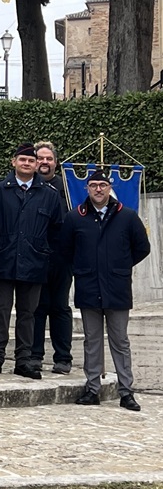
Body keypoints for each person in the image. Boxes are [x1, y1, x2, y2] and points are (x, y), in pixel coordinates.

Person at [63, 171, 150, 411]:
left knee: (120, 341)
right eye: (93, 185)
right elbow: (65, 250)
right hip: (89, 286)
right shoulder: (75, 218)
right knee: (92, 341)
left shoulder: (128, 216)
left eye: (102, 185)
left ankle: (126, 391)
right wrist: (82, 268)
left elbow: (142, 248)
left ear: (109, 187)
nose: (98, 190)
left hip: (117, 288)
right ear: (87, 189)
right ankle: (92, 389)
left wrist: (120, 266)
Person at [0, 143, 64, 378]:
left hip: (34, 262)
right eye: (23, 160)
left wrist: (43, 252)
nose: (27, 164)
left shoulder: (49, 195)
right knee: (0, 311)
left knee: (28, 313)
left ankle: (24, 360)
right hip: (3, 259)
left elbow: (56, 228)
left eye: (31, 161)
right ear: (14, 162)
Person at [30, 141, 73, 374]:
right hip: (35, 258)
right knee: (37, 307)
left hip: (62, 258)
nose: (44, 162)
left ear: (55, 162)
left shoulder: (67, 188)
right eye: (40, 158)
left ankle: (63, 358)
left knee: (59, 307)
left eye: (49, 159)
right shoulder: (28, 187)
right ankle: (35, 355)